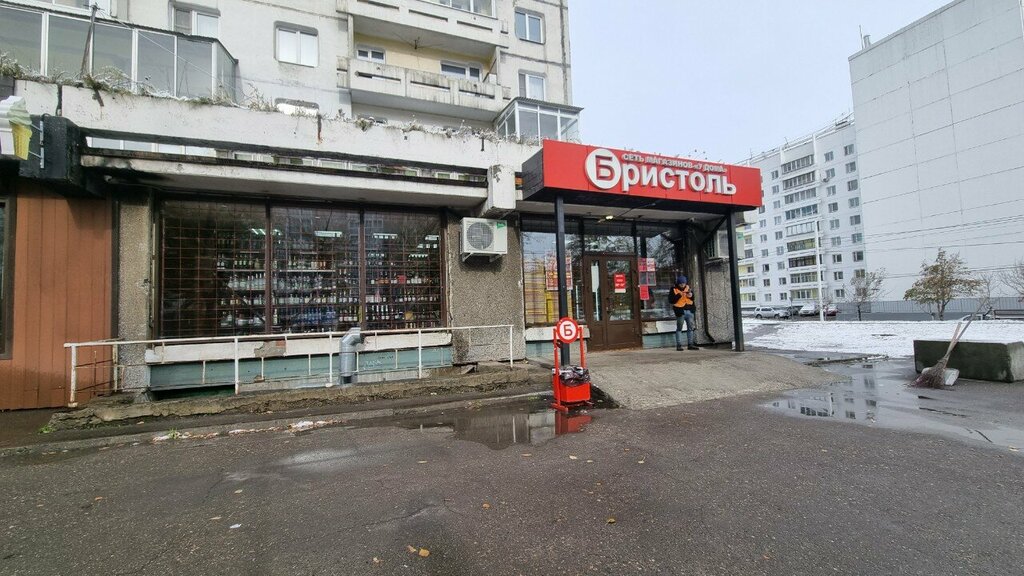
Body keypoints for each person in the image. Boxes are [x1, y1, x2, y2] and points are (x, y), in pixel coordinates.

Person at [670, 275, 699, 351]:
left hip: (690, 311)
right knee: (679, 328)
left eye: (684, 283)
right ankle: (679, 345)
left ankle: (690, 344)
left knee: (690, 328)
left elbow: (693, 298)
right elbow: (671, 300)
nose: (682, 285)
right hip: (680, 311)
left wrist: (691, 296)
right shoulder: (673, 289)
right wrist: (679, 295)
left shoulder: (688, 288)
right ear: (678, 283)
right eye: (681, 283)